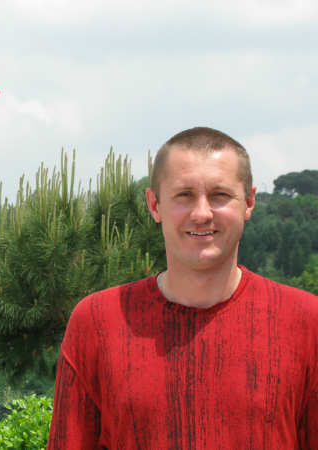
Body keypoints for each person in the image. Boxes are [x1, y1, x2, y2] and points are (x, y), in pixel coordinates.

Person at [47, 127, 318, 449]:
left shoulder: (305, 322)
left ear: (248, 202)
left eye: (220, 194)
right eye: (184, 195)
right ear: (154, 205)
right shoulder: (97, 322)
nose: (202, 213)